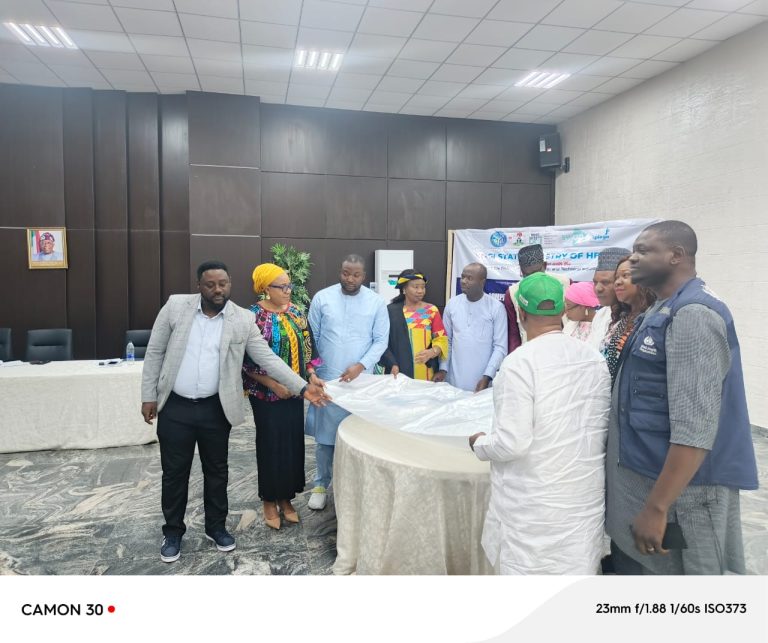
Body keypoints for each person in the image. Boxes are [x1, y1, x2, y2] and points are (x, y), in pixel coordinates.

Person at [141, 260, 328, 563]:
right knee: (175, 473)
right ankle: (173, 532)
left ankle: (216, 528)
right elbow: (155, 351)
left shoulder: (242, 318)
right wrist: (148, 396)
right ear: (199, 285)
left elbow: (267, 358)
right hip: (176, 405)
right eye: (210, 284)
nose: (218, 289)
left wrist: (303, 387)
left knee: (217, 471)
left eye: (223, 283)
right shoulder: (175, 307)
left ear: (230, 283)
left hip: (216, 407)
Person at [606, 221, 758, 574]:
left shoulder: (692, 316)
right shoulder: (662, 307)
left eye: (643, 250)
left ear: (676, 255)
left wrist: (657, 507)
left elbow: (695, 429)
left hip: (685, 498)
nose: (633, 258)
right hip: (645, 474)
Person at [469, 273, 610, 574]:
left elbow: (511, 443)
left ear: (521, 313)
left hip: (534, 512)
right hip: (581, 505)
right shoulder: (594, 359)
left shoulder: (519, 364)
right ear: (562, 310)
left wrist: (479, 443)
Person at [243, 263, 324, 530]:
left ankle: (286, 498)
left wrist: (311, 375)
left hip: (295, 392)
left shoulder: (297, 312)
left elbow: (308, 348)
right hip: (266, 395)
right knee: (271, 445)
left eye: (290, 285)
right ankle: (269, 499)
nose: (288, 291)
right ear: (266, 288)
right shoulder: (252, 316)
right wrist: (272, 384)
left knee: (291, 444)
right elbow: (244, 361)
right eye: (282, 286)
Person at [305, 254, 389, 511]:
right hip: (328, 380)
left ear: (364, 276)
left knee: (360, 436)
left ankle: (357, 487)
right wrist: (312, 371)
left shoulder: (376, 302)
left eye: (356, 275)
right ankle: (321, 485)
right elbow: (311, 338)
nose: (350, 279)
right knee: (325, 438)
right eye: (345, 273)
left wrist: (361, 365)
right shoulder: (322, 298)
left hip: (362, 382)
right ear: (340, 272)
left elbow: (381, 341)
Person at [434, 262, 507, 392]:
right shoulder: (452, 304)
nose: (464, 281)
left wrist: (487, 376)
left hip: (483, 382)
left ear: (482, 282)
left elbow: (500, 347)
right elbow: (447, 341)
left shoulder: (496, 307)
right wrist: (443, 369)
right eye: (463, 277)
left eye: (470, 278)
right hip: (453, 380)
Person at [379, 269, 448, 381]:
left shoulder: (431, 310)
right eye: (416, 287)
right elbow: (382, 341)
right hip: (398, 371)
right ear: (404, 289)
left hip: (426, 372)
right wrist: (391, 363)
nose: (420, 291)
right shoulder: (390, 311)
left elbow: (441, 339)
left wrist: (432, 352)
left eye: (423, 287)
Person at [504, 244, 569, 352]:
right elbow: (514, 335)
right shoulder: (512, 293)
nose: (534, 279)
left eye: (537, 272)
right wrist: (516, 356)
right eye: (528, 275)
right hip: (530, 352)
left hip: (564, 348)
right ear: (521, 271)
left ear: (545, 265)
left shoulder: (565, 283)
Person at [602, 255, 656, 383]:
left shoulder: (652, 319)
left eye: (625, 275)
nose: (617, 282)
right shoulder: (623, 317)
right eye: (616, 278)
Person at [589, 246, 630, 352]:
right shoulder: (601, 314)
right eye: (595, 282)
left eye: (606, 282)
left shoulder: (636, 317)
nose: (598, 288)